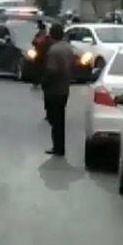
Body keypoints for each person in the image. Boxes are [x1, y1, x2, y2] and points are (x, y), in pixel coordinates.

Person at [41, 22, 75, 157]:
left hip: (54, 89)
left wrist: (44, 81)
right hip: (64, 87)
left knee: (54, 118)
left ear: (52, 35)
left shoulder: (54, 51)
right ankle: (60, 146)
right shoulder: (68, 48)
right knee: (60, 117)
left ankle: (58, 147)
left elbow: (52, 70)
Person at [31, 20, 48, 88]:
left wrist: (35, 42)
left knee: (37, 67)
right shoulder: (45, 34)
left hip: (39, 52)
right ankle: (40, 81)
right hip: (43, 52)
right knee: (41, 67)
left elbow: (35, 42)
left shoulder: (40, 34)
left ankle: (36, 81)